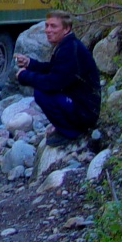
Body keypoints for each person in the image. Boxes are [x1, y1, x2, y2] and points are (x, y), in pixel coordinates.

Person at [15, 10, 101, 147]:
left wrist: (25, 76)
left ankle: (71, 133)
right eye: (47, 25)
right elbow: (53, 69)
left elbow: (53, 82)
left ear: (66, 29)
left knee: (41, 93)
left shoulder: (69, 49)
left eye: (53, 26)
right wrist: (30, 64)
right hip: (82, 105)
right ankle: (69, 128)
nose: (47, 30)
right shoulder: (68, 45)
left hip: (85, 111)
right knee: (44, 91)